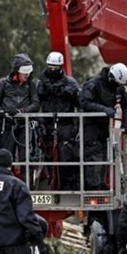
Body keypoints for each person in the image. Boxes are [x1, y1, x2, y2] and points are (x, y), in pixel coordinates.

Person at [79, 63, 127, 190]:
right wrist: (104, 110)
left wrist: (126, 122)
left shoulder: (118, 88)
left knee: (105, 157)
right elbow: (84, 102)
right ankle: (92, 188)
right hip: (90, 127)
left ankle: (101, 186)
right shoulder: (93, 84)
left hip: (105, 128)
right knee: (92, 158)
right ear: (111, 78)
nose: (118, 87)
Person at [0, 53, 40, 183]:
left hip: (24, 125)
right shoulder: (3, 84)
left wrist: (21, 111)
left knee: (26, 158)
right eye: (24, 72)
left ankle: (26, 186)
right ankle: (7, 185)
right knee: (7, 156)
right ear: (16, 71)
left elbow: (35, 104)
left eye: (28, 72)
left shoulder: (31, 85)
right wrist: (0, 111)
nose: (27, 75)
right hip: (7, 125)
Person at [37, 52, 79, 190]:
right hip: (47, 125)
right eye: (50, 67)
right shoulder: (41, 83)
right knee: (48, 155)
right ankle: (52, 184)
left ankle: (67, 186)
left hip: (65, 125)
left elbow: (80, 105)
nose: (52, 70)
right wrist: (41, 122)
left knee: (66, 157)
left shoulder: (70, 84)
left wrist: (77, 127)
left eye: (55, 67)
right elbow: (37, 104)